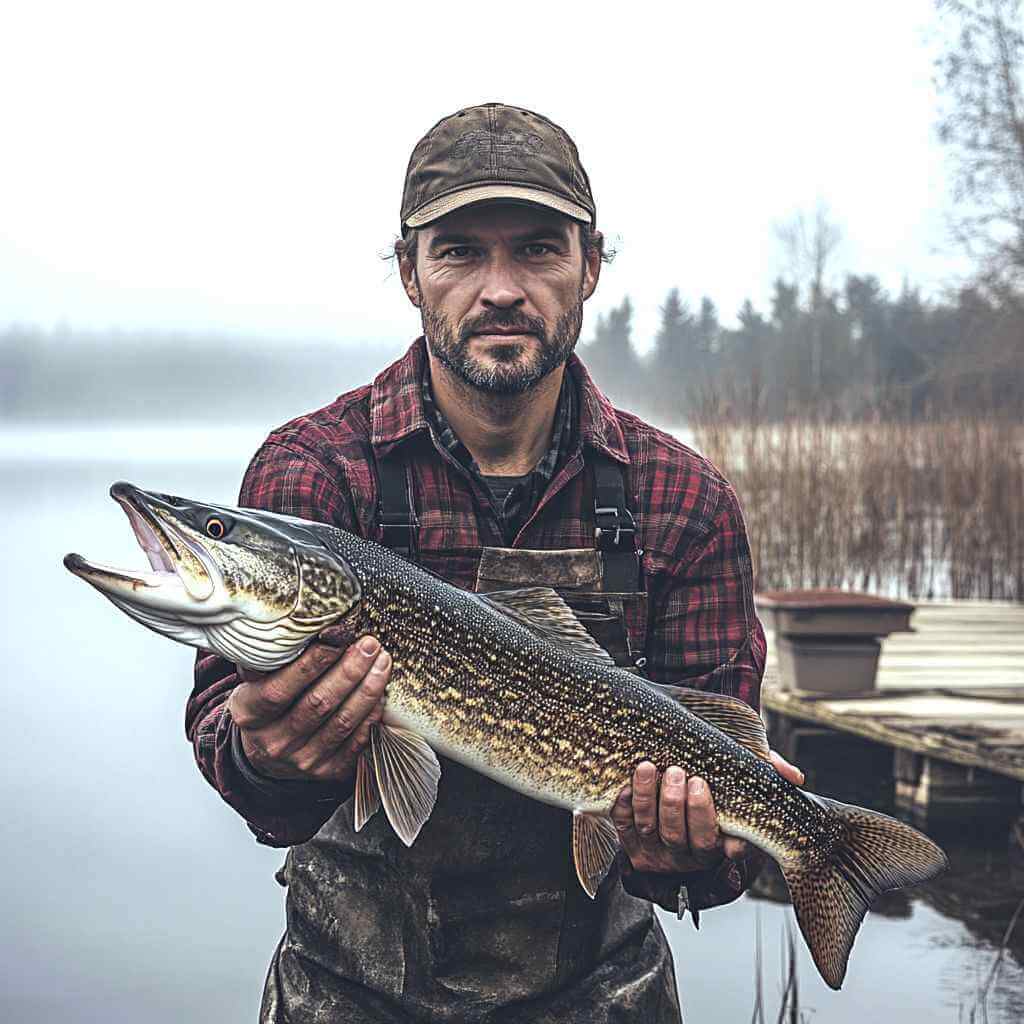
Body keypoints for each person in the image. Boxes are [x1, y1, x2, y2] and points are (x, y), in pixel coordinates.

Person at [186, 102, 803, 1023]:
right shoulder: (311, 472)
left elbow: (716, 865)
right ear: (410, 272)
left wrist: (695, 852)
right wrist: (271, 756)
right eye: (461, 251)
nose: (501, 288)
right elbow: (241, 774)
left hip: (603, 995)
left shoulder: (682, 499)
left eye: (538, 250)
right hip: (347, 995)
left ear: (591, 265)